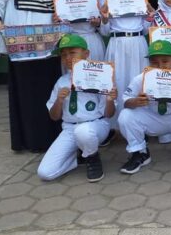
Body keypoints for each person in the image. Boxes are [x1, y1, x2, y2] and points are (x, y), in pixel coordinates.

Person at [0, 0, 63, 152]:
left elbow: (58, 4)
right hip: (22, 45)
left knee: (48, 90)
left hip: (49, 44)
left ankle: (52, 137)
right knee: (27, 93)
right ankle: (31, 141)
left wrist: (59, 14)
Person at [37, 35, 116, 182]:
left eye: (72, 52)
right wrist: (59, 101)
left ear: (86, 54)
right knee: (45, 173)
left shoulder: (99, 76)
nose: (68, 58)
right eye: (63, 55)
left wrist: (110, 99)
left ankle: (92, 158)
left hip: (96, 125)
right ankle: (75, 158)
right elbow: (54, 116)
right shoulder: (61, 82)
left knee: (83, 131)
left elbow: (109, 114)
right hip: (69, 128)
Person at [118, 40, 171, 174]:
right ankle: (140, 153)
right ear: (149, 63)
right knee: (125, 116)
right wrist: (135, 101)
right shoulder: (141, 78)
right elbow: (126, 100)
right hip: (153, 118)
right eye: (154, 62)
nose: (160, 66)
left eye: (165, 61)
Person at [100, 0, 151, 132]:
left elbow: (146, 30)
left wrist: (149, 16)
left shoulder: (141, 0)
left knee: (138, 82)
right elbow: (104, 32)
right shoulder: (108, 1)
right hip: (117, 45)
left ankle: (139, 125)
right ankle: (115, 126)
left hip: (138, 43)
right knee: (118, 81)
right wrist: (104, 19)